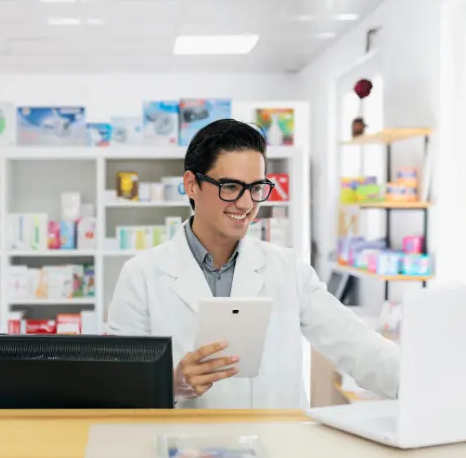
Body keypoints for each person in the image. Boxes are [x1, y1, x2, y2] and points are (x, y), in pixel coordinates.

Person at [106, 119, 400, 409]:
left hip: (278, 447)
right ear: (191, 185)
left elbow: (356, 345)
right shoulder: (141, 275)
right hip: (185, 449)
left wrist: (426, 385)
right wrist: (171, 384)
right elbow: (119, 388)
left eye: (256, 188)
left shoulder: (288, 269)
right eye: (231, 187)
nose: (247, 204)